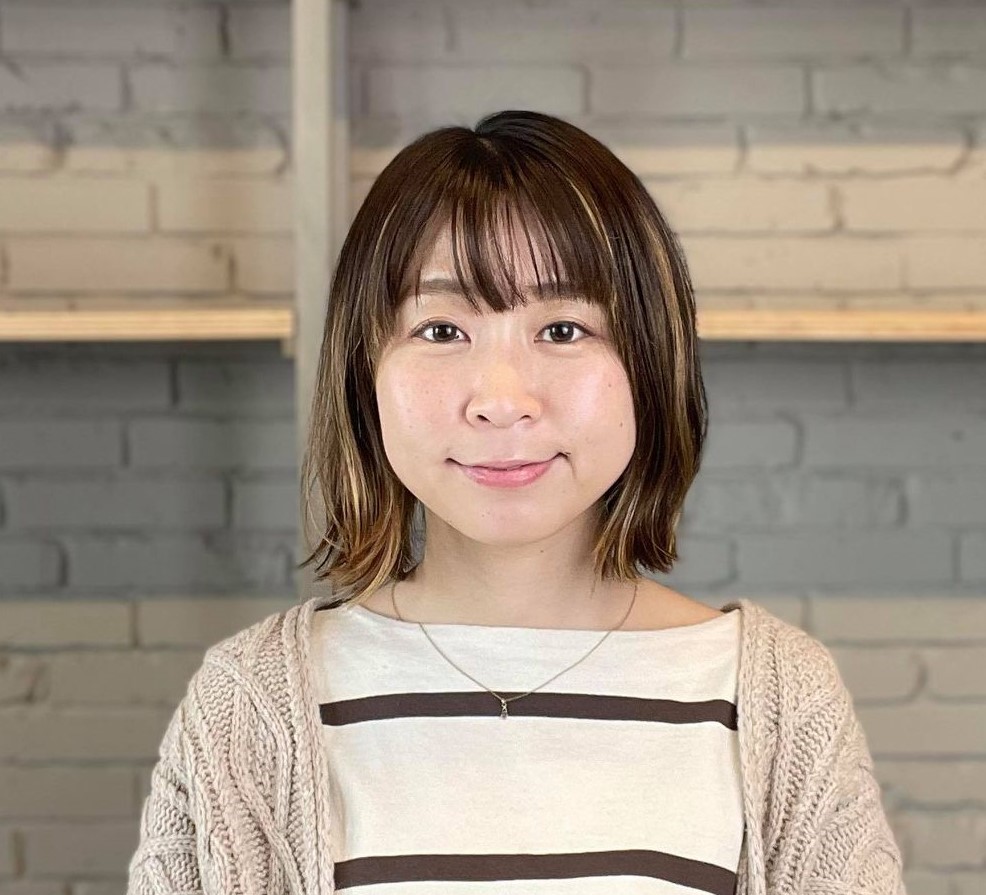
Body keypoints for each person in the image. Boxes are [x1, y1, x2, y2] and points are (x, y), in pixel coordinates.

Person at [127, 110, 906, 895]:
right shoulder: (249, 707)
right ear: (365, 373)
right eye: (440, 330)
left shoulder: (778, 702)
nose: (502, 400)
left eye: (563, 329)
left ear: (649, 361)